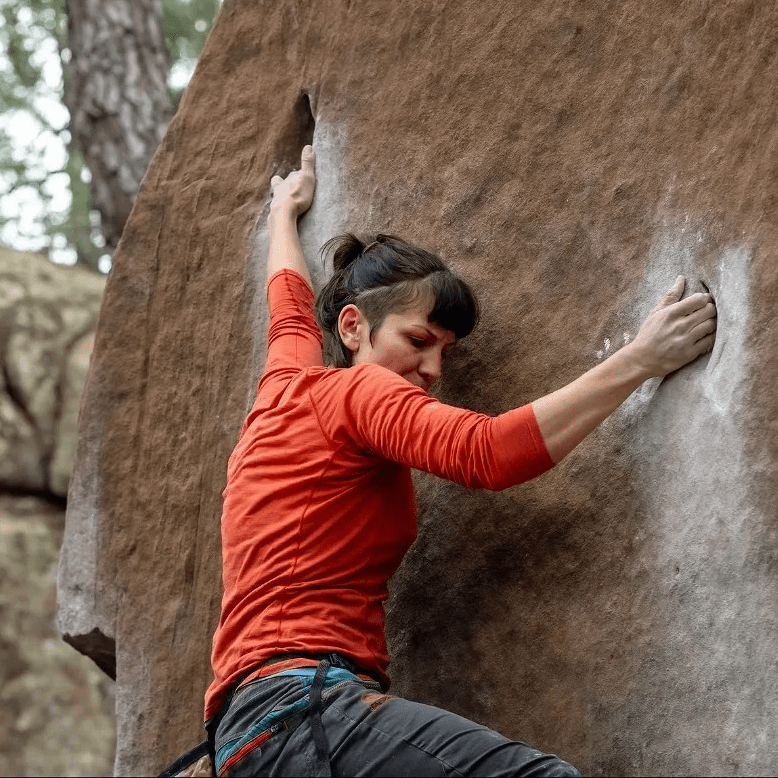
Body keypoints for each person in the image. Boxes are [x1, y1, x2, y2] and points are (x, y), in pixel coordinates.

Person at [204, 146, 716, 777]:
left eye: (444, 350)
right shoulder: (360, 391)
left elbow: (287, 303)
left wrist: (285, 210)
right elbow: (488, 452)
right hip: (304, 714)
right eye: (418, 340)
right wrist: (639, 360)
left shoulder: (284, 384)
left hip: (248, 734)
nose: (432, 369)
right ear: (352, 327)